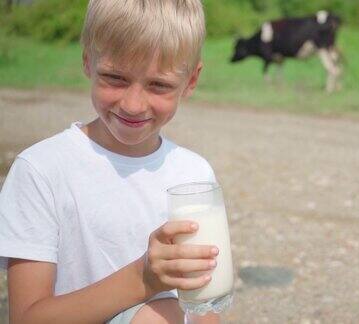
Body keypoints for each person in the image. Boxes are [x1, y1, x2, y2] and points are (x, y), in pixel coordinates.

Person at [0, 0, 223, 323]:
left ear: (191, 81)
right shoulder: (41, 170)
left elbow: (205, 306)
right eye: (115, 78)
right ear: (88, 62)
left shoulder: (195, 173)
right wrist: (143, 278)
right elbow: (26, 318)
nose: (133, 105)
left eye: (159, 85)